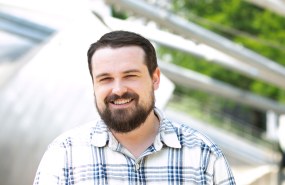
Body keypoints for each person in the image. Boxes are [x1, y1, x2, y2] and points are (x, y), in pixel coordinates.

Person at [33, 30, 236, 185]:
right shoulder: (64, 156)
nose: (118, 89)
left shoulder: (203, 155)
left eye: (130, 75)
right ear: (94, 84)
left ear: (155, 79)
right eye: (105, 79)